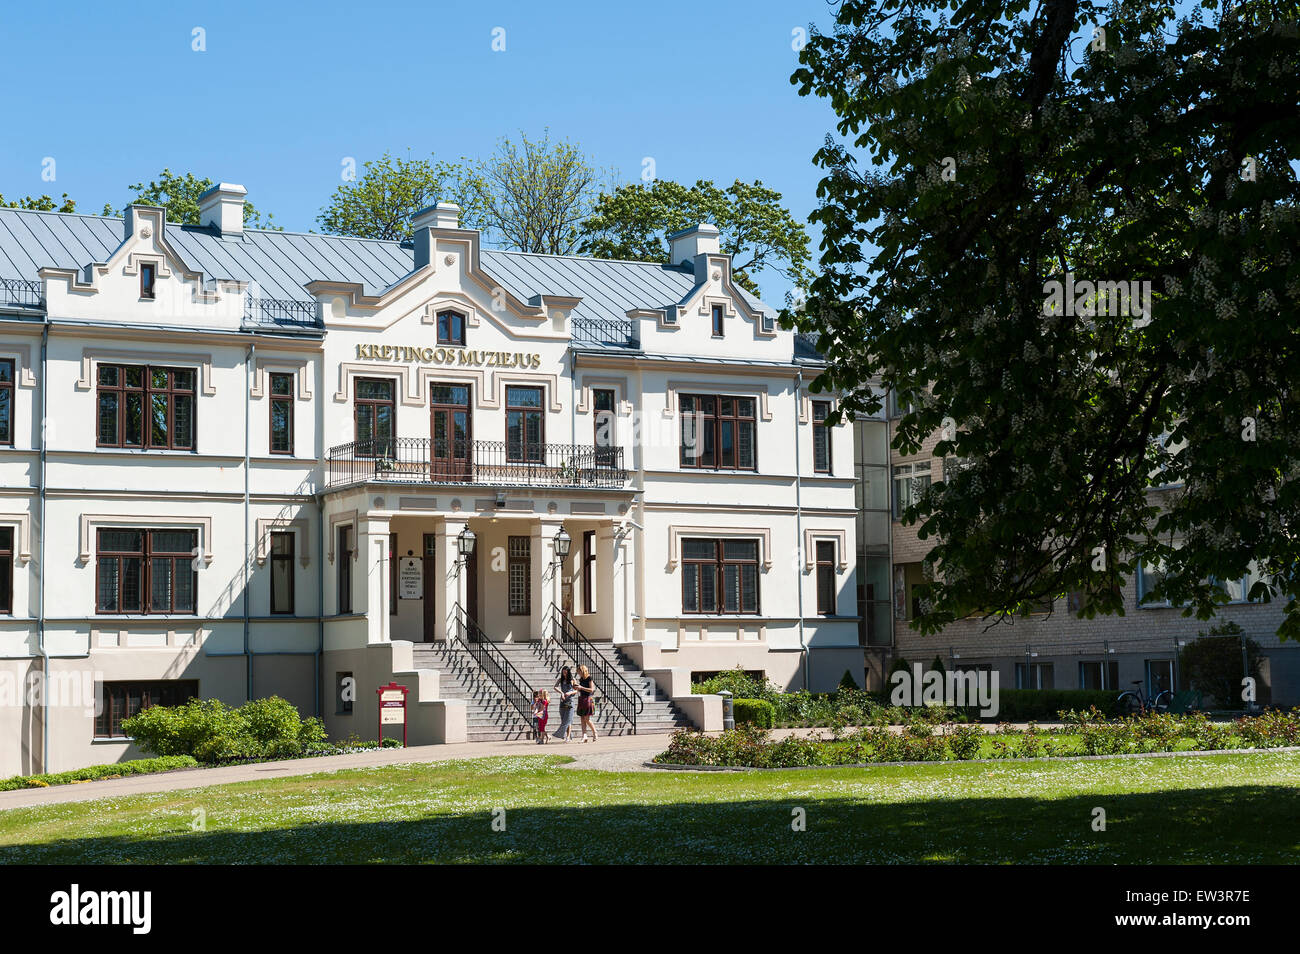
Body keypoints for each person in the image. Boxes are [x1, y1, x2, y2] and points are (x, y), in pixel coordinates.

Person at [575, 664, 598, 742]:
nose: (578, 673)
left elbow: (592, 689)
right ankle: (584, 735)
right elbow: (581, 690)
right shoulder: (581, 679)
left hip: (588, 699)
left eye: (579, 672)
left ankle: (595, 732)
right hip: (581, 698)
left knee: (587, 719)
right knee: (582, 718)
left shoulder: (589, 678)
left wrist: (581, 688)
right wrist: (577, 688)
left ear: (583, 671)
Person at [553, 666, 576, 742]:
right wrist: (561, 693)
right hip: (563, 701)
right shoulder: (561, 680)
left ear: (568, 672)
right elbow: (555, 687)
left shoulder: (572, 680)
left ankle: (568, 737)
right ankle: (567, 735)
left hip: (570, 701)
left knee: (568, 719)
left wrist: (570, 692)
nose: (564, 674)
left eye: (566, 672)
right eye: (563, 672)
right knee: (564, 719)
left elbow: (576, 690)